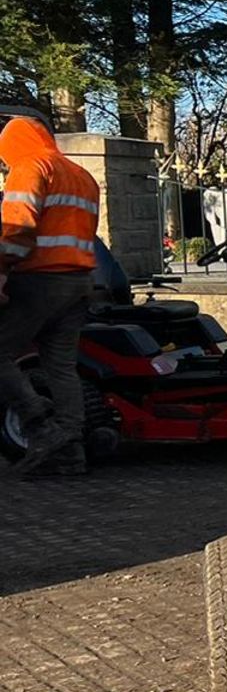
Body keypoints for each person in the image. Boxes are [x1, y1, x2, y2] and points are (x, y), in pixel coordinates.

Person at [0, 104, 101, 476]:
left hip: (39, 280)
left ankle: (39, 425)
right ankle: (70, 451)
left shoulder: (29, 167)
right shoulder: (81, 174)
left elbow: (17, 228)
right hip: (79, 282)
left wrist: (1, 268)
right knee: (60, 366)